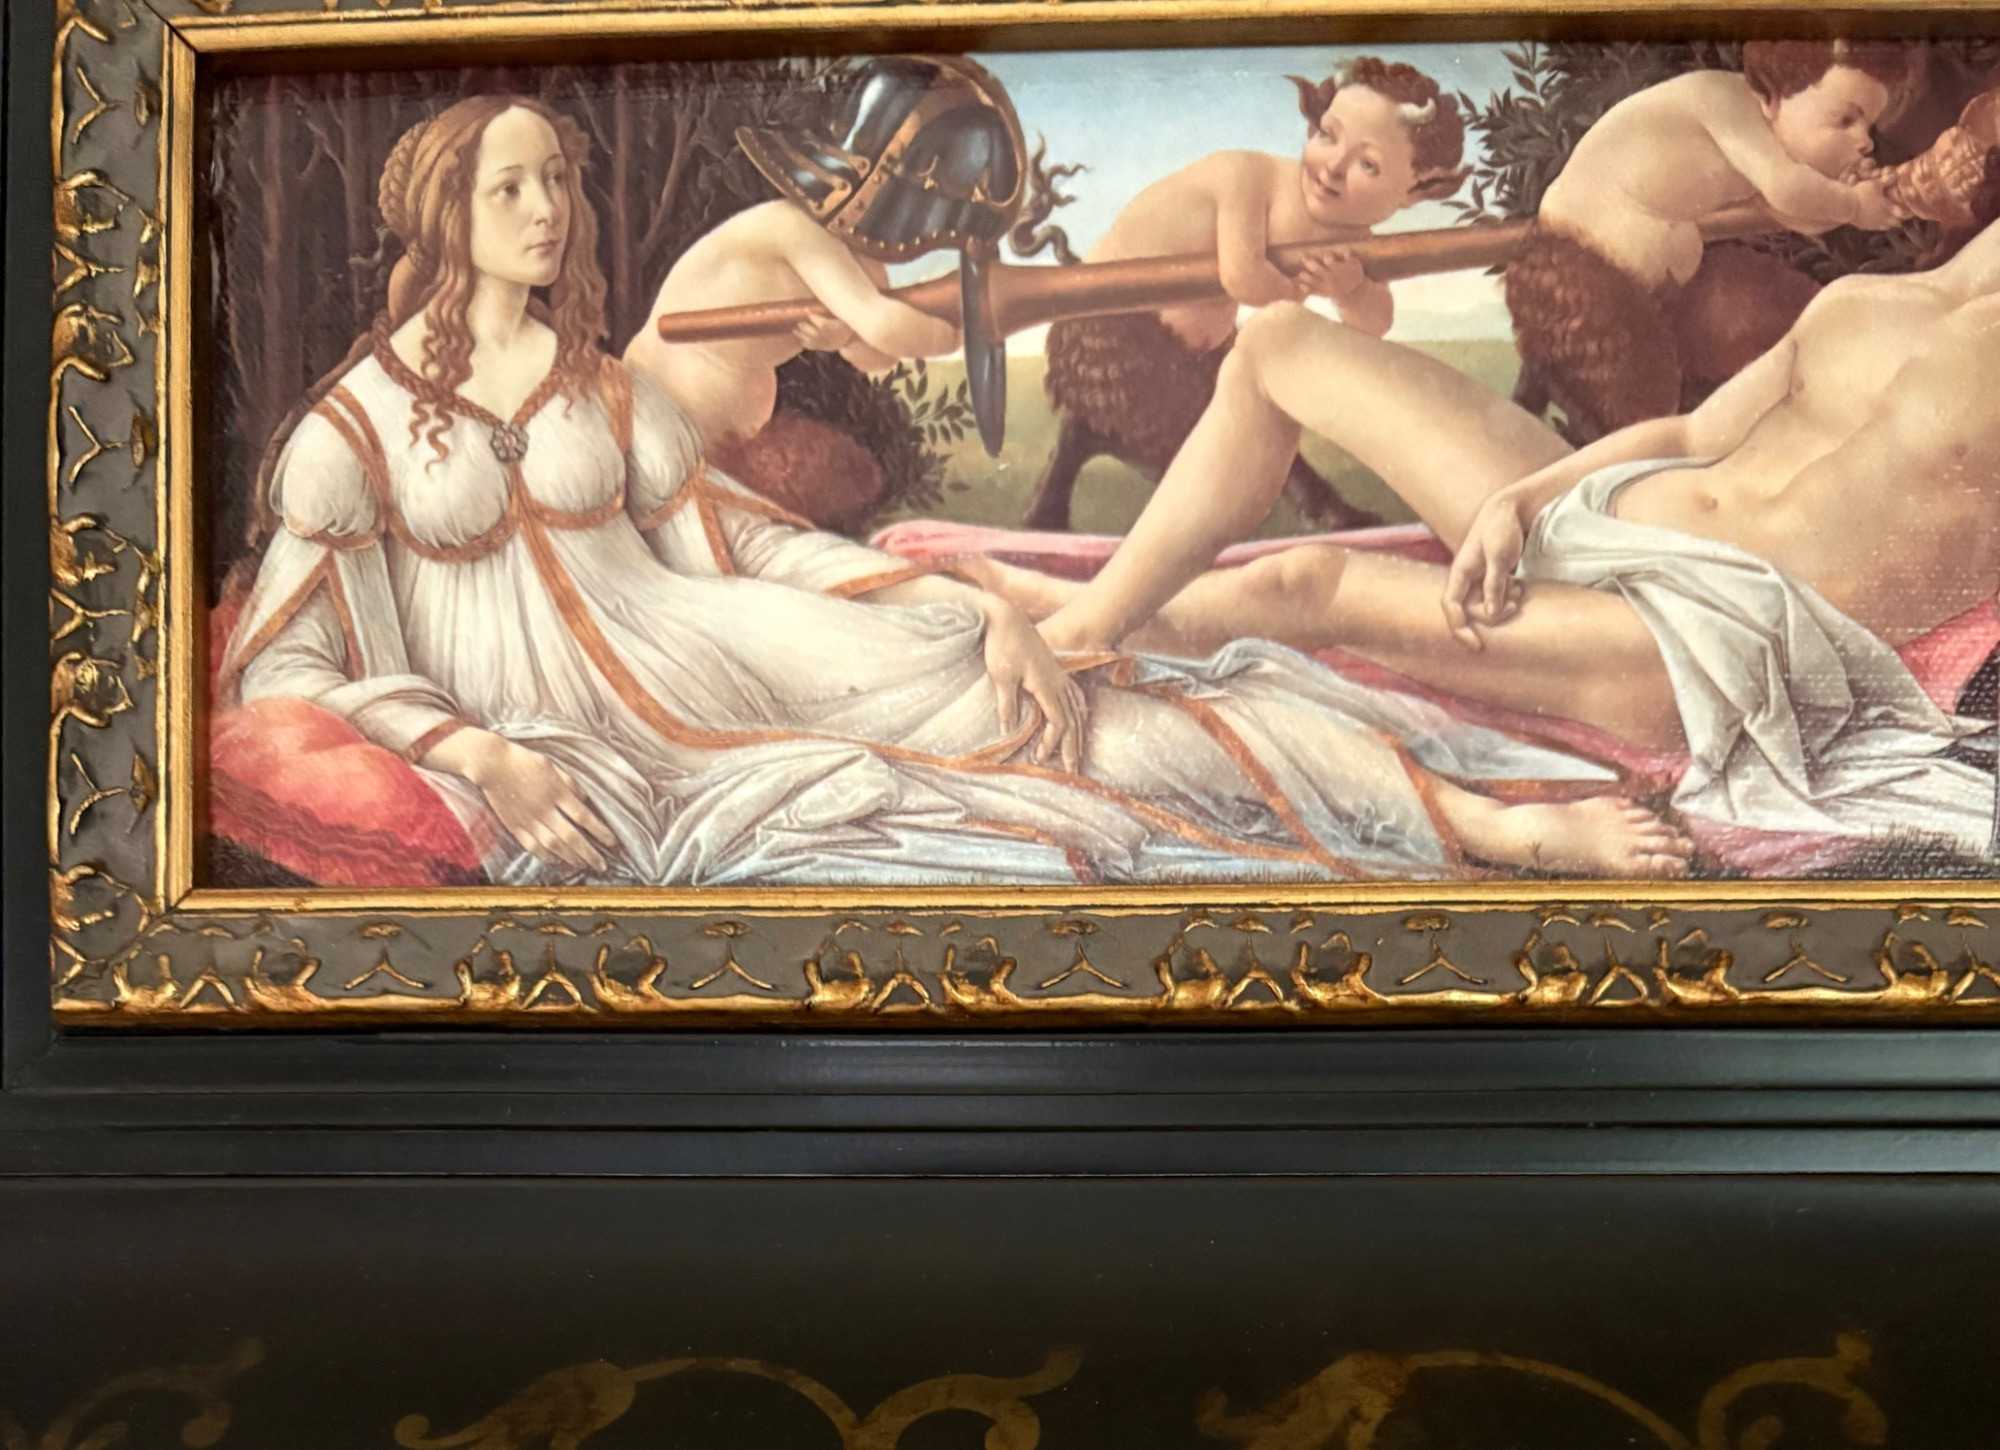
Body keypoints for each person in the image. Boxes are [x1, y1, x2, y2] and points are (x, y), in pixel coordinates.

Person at [222, 96, 1689, 890]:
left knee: (1071, 695)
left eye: (555, 179)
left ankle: (1478, 821)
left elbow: (737, 550)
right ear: (441, 212)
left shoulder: (597, 389)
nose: (549, 211)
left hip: (726, 638)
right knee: (1013, 773)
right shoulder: (352, 431)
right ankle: (1462, 824)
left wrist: (961, 600)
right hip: (593, 735)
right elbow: (289, 664)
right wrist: (480, 755)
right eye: (511, 188)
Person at [995, 235, 2000, 860]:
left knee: (1307, 582)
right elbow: (1696, 433)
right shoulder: (1877, 300)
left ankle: (1053, 627)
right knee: (1277, 344)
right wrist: (1517, 502)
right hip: (1607, 515)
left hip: (1700, 638)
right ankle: (1066, 617)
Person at [1024, 57, 1468, 533]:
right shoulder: (1247, 178)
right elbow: (1242, 277)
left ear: (1415, 190)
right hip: (1108, 334)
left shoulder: (1350, 228)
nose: (1333, 167)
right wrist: (1297, 293)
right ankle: (1180, 532)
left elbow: (1375, 321)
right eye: (1328, 135)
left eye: (1368, 164)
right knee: (1223, 437)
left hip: (1191, 356)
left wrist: (1353, 288)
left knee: (1251, 410)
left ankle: (1316, 507)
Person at [626, 56, 1026, 526]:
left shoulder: (860, 260)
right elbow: (885, 325)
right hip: (665, 407)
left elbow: (878, 356)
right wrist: (953, 336)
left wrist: (847, 338)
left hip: (716, 441)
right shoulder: (795, 230)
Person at [1507, 41, 1913, 441]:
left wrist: (1842, 198)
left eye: (1868, 126)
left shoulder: (1760, 150)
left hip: (1632, 291)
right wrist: (1853, 206)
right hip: (1579, 281)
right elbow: (1788, 189)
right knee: (1642, 426)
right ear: (1770, 97)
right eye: (1845, 120)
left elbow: (1793, 215)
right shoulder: (1726, 103)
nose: (1865, 141)